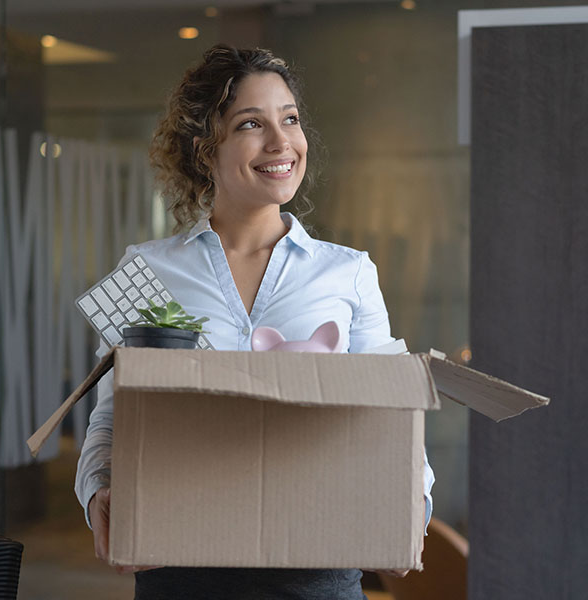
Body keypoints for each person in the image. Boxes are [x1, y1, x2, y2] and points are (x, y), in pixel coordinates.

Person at [75, 44, 435, 600]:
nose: (281, 142)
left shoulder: (348, 274)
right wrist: (99, 490)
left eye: (289, 119)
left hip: (315, 568)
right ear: (204, 149)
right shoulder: (145, 271)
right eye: (251, 123)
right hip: (181, 565)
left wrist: (415, 499)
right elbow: (115, 414)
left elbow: (393, 412)